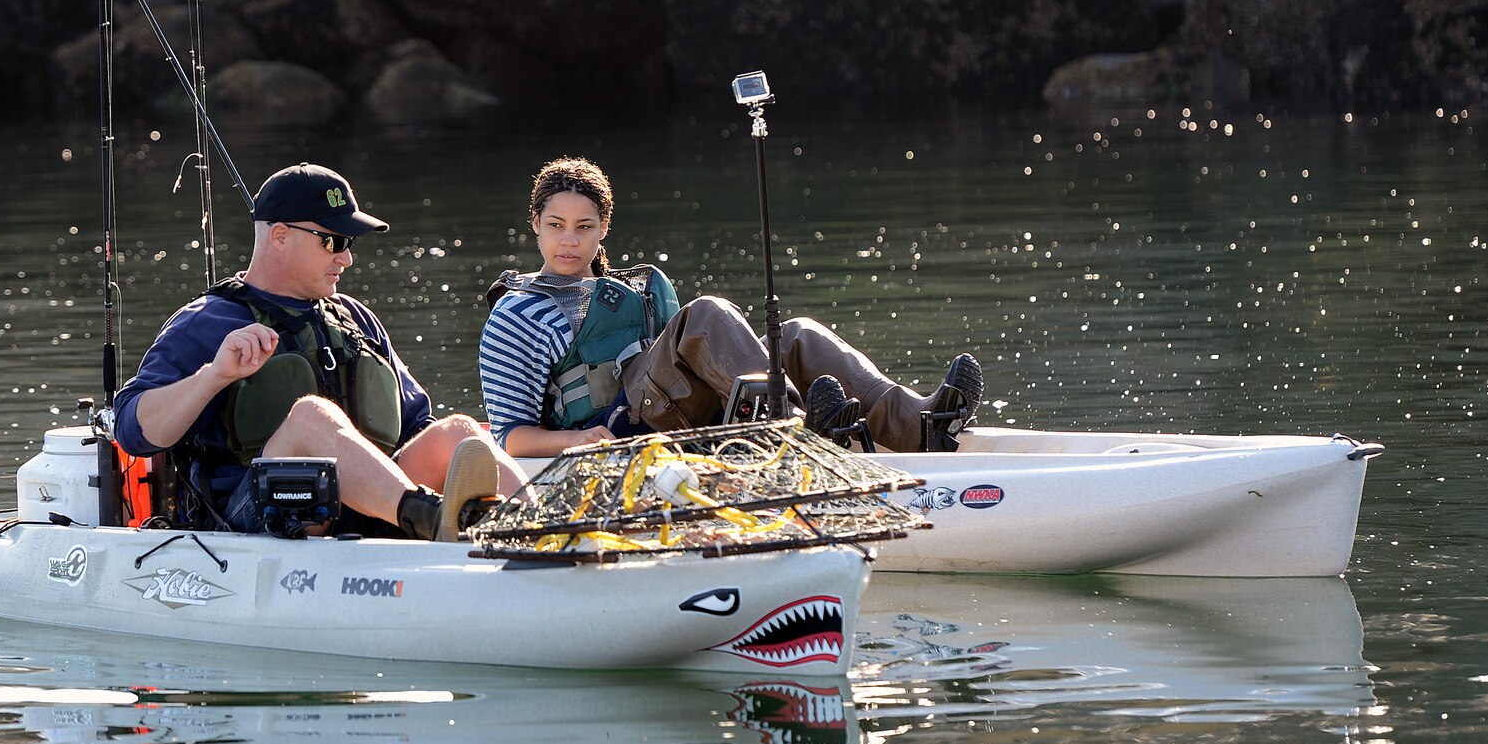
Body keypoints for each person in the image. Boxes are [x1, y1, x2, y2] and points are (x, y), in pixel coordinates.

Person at [115, 163, 524, 540]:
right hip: (254, 520)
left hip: (366, 511)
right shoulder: (206, 322)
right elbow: (133, 432)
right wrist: (214, 376)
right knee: (312, 416)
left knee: (459, 432)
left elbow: (417, 424)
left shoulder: (353, 317)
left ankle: (542, 527)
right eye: (333, 241)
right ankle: (433, 520)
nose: (346, 258)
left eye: (349, 243)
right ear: (279, 236)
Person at [477, 156, 983, 458]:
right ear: (535, 225)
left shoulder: (632, 289)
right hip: (617, 434)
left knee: (799, 336)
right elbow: (511, 439)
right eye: (556, 225)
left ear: (603, 229)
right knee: (706, 313)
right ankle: (798, 429)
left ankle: (921, 427)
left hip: (672, 415)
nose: (569, 240)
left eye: (584, 226)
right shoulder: (518, 314)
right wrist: (580, 441)